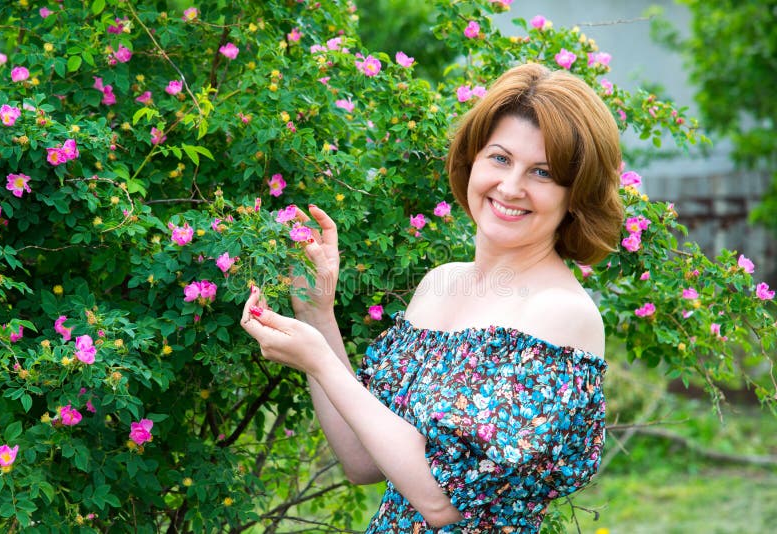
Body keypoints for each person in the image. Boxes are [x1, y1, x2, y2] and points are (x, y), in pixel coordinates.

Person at [240, 62, 624, 533]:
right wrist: (318, 314)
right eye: (500, 158)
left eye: (542, 172)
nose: (510, 187)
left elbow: (443, 503)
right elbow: (363, 461)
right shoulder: (441, 282)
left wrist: (319, 360)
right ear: (473, 160)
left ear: (575, 195)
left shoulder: (561, 314)